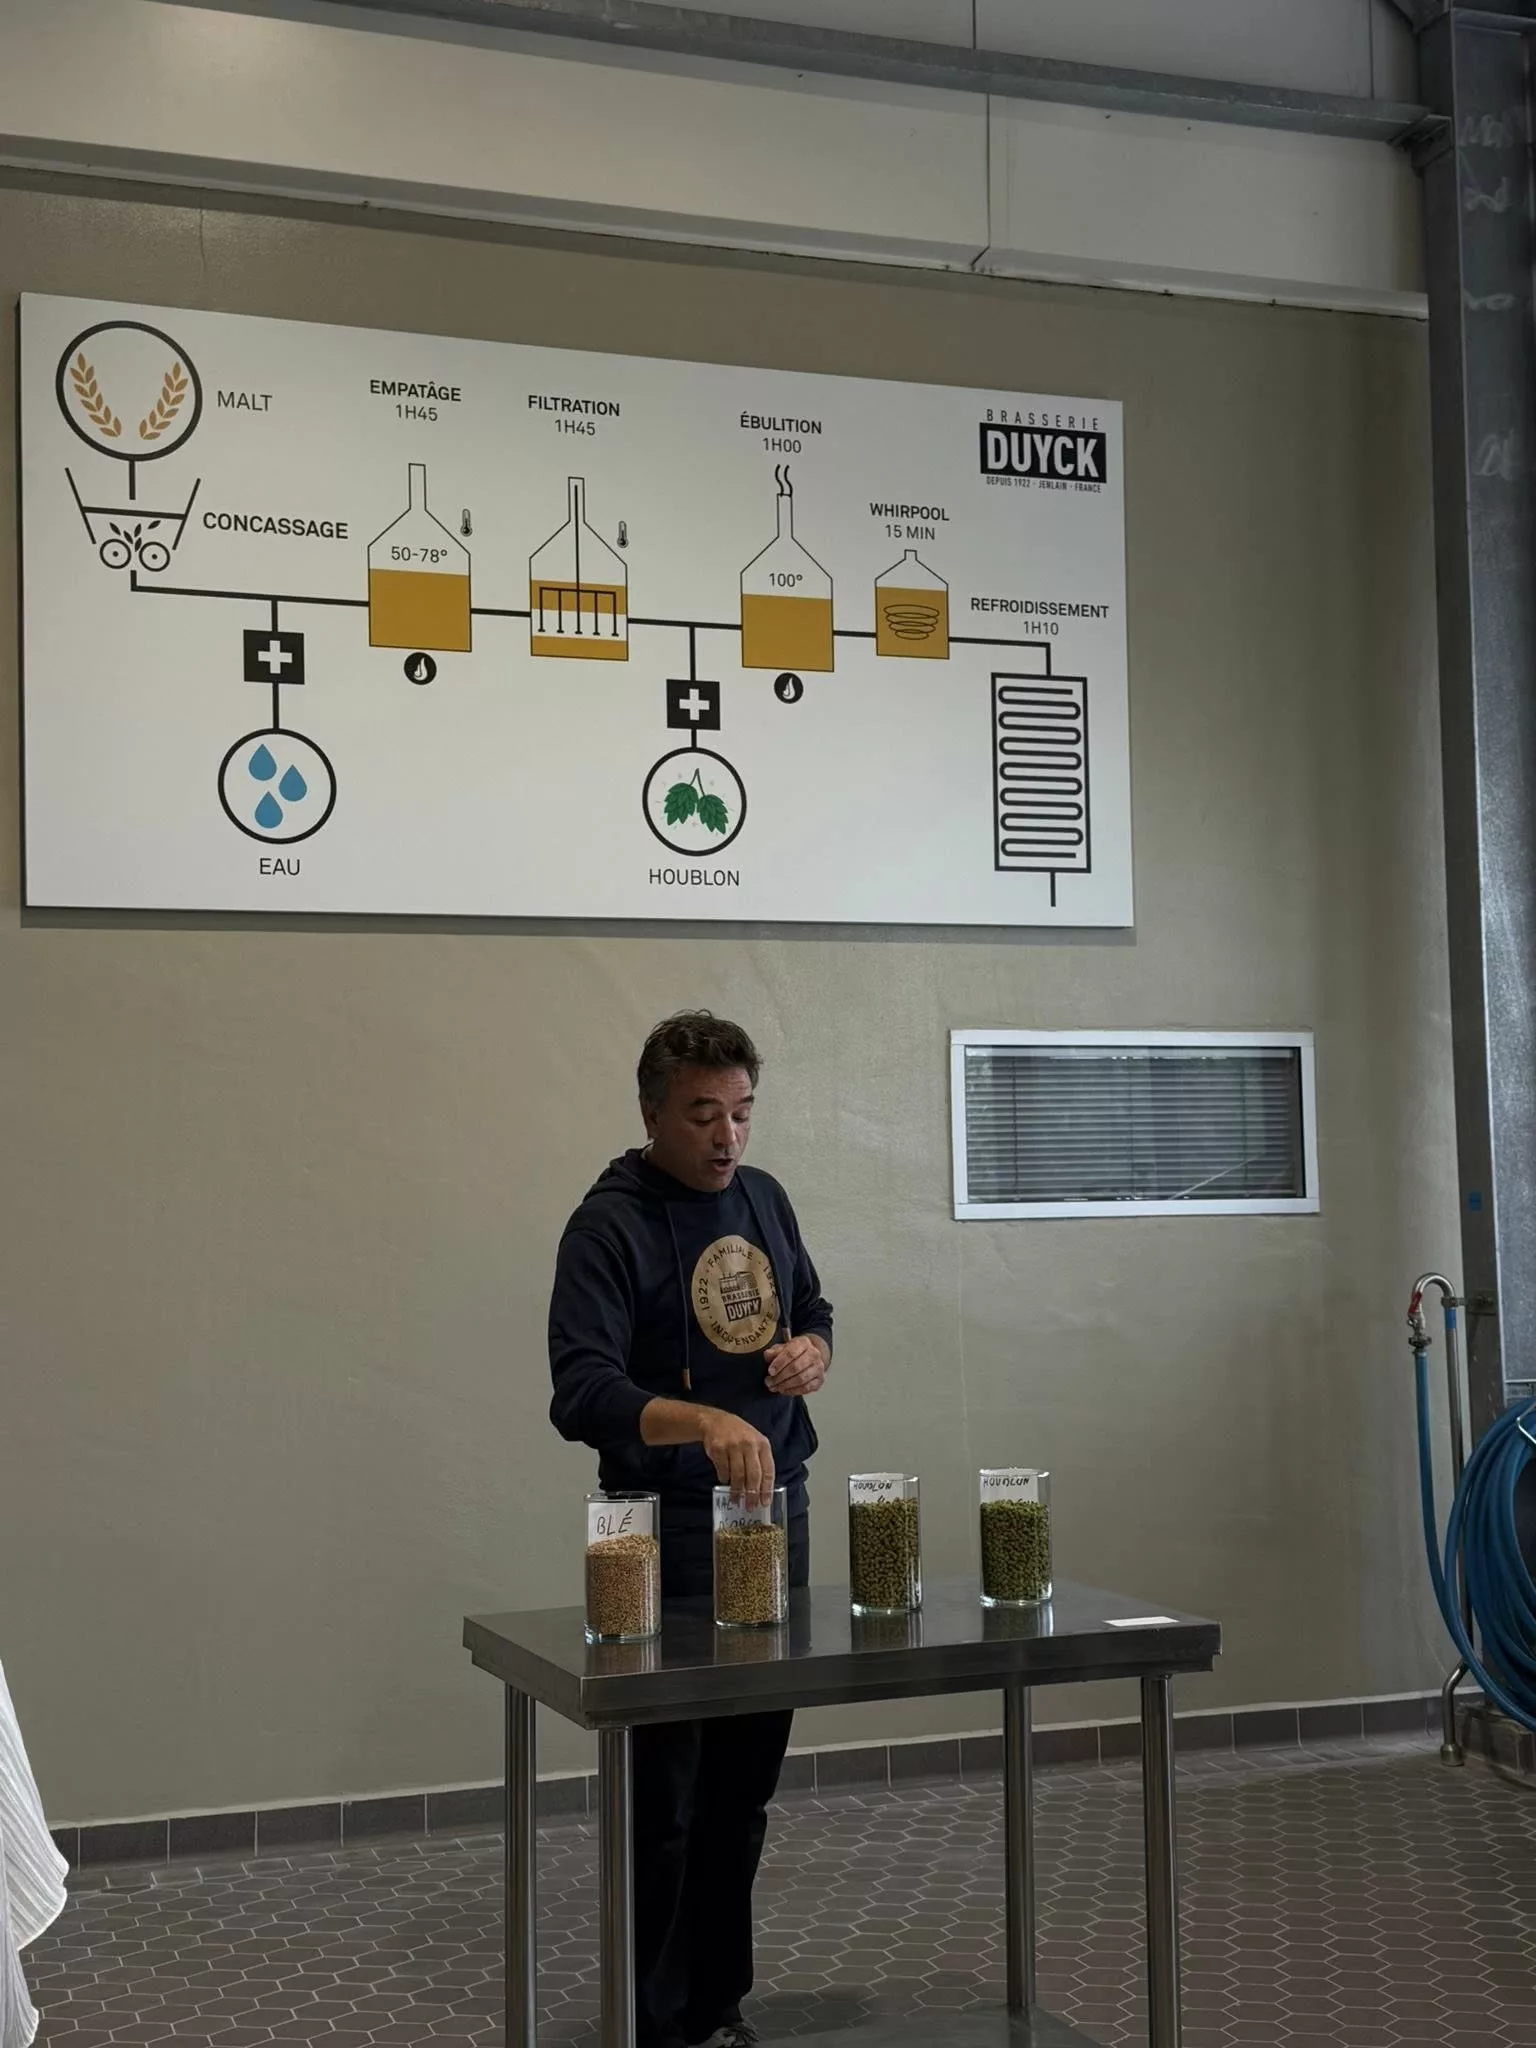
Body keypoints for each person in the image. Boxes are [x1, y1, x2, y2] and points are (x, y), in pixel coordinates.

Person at [549, 1011, 834, 2048]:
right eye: (704, 1114)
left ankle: (717, 2008)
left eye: (743, 1112)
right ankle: (649, 2022)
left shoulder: (766, 1198)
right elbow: (581, 1391)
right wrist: (703, 1421)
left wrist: (812, 1351)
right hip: (656, 1533)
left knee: (741, 1791)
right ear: (652, 1114)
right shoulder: (607, 1226)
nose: (728, 1137)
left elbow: (814, 1306)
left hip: (769, 1517)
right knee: (662, 1800)